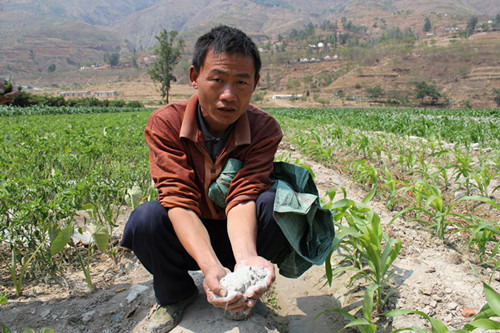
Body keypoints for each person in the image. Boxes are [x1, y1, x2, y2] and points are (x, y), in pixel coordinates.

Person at [120, 25, 289, 332]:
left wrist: (248, 260)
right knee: (146, 219)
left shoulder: (264, 129)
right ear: (195, 77)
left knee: (278, 205)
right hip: (187, 238)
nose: (229, 95)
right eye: (217, 80)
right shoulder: (167, 123)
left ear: (256, 83)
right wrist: (210, 267)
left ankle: (246, 290)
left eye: (241, 82)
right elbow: (179, 200)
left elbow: (243, 196)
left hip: (238, 236)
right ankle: (175, 296)